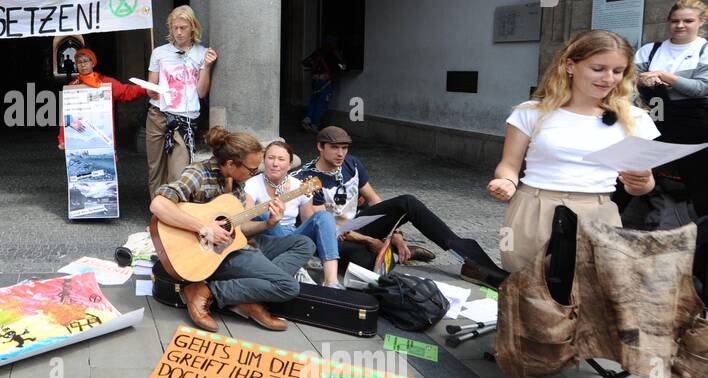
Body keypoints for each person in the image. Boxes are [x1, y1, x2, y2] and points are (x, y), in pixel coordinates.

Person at [489, 30, 657, 272]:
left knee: (591, 298)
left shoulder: (635, 119)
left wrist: (642, 181)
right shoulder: (530, 112)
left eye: (618, 71)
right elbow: (509, 165)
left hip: (599, 212)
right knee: (522, 290)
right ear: (570, 65)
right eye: (598, 69)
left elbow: (642, 185)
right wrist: (506, 181)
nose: (609, 79)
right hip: (532, 208)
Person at [150, 126, 314, 332]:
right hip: (212, 255)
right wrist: (204, 227)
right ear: (230, 163)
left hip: (236, 246)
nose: (255, 173)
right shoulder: (198, 173)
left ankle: (247, 293)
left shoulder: (236, 182)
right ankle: (205, 291)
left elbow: (239, 228)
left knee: (304, 243)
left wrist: (269, 223)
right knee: (288, 287)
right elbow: (158, 205)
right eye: (252, 169)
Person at [294, 125, 503, 282]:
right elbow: (325, 226)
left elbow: (374, 200)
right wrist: (369, 241)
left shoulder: (352, 163)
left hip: (357, 223)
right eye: (334, 148)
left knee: (407, 202)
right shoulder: (308, 178)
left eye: (344, 148)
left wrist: (396, 234)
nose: (341, 153)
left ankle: (464, 252)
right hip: (334, 236)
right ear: (320, 147)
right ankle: (399, 253)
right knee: (369, 264)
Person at [634, 0, 708, 217]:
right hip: (654, 118)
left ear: (701, 22)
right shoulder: (650, 50)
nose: (680, 25)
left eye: (688, 20)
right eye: (675, 21)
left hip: (693, 125)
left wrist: (664, 76)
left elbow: (701, 89)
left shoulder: (704, 50)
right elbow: (628, 83)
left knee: (699, 180)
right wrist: (641, 82)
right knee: (634, 170)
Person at [245, 139, 342, 287]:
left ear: (289, 165)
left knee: (324, 217)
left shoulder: (299, 186)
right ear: (264, 161)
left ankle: (331, 281)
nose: (275, 163)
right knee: (265, 214)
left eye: (281, 159)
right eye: (270, 158)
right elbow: (246, 220)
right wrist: (271, 218)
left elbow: (308, 220)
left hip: (293, 234)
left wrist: (323, 220)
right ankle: (298, 267)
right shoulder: (252, 184)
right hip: (266, 237)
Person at [146, 6, 217, 195]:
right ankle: (156, 218)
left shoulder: (202, 53)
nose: (178, 32)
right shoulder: (159, 52)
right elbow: (151, 84)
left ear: (192, 27)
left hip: (184, 118)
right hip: (158, 113)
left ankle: (172, 214)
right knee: (156, 167)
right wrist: (151, 90)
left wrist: (207, 67)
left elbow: (201, 93)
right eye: (174, 27)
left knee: (178, 172)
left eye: (183, 28)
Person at [57, 47, 147, 152]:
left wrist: (146, 89)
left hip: (103, 136)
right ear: (76, 65)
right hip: (80, 137)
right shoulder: (72, 86)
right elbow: (66, 114)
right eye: (79, 62)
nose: (83, 64)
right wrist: (62, 138)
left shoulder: (105, 83)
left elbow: (126, 91)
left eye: (86, 61)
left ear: (93, 63)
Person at [301, 37, 347, 133]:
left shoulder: (317, 52)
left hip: (315, 79)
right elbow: (343, 65)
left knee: (314, 100)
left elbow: (305, 62)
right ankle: (314, 124)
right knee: (322, 103)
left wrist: (315, 66)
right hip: (326, 80)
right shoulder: (334, 53)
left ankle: (308, 118)